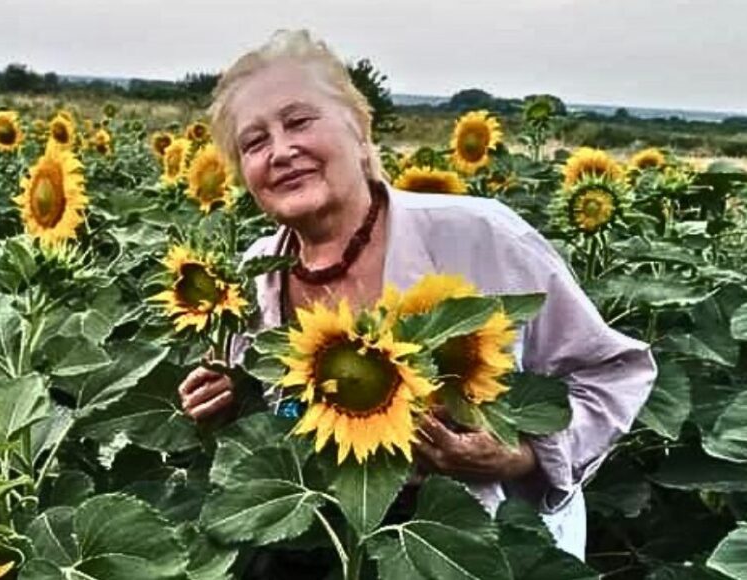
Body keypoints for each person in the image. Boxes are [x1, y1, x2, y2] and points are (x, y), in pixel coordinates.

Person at [176, 29, 657, 560]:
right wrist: (232, 401)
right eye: (254, 142)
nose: (282, 151)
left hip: (489, 544)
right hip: (322, 546)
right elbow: (292, 417)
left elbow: (611, 374)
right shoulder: (253, 276)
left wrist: (520, 455)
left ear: (360, 130)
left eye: (299, 121)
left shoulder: (479, 237)